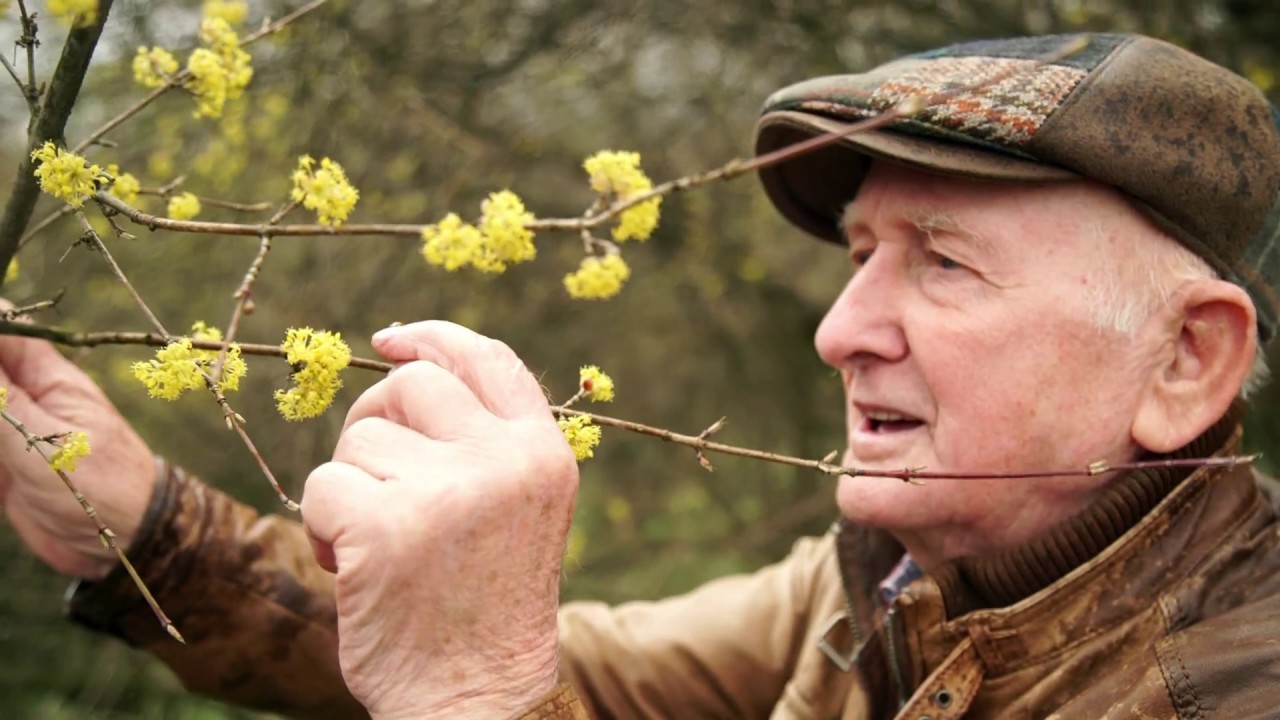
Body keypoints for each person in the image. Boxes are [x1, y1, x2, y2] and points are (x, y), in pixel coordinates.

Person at [3, 31, 1280, 719]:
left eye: (941, 263)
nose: (840, 331)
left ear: (1184, 360)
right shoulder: (884, 588)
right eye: (857, 257)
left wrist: (479, 703)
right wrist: (148, 531)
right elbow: (597, 672)